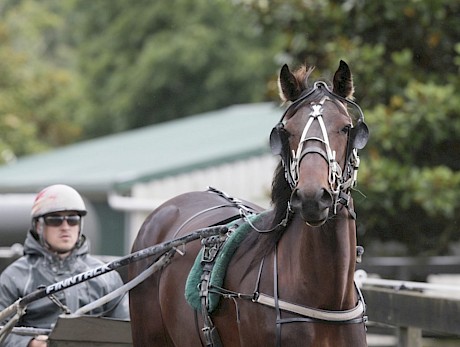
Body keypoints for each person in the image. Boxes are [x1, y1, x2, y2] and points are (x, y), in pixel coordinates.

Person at [0, 184, 129, 347]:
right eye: (55, 220)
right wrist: (29, 343)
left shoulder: (106, 276)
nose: (65, 227)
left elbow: (125, 330)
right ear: (39, 226)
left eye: (73, 219)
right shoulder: (15, 277)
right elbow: (1, 330)